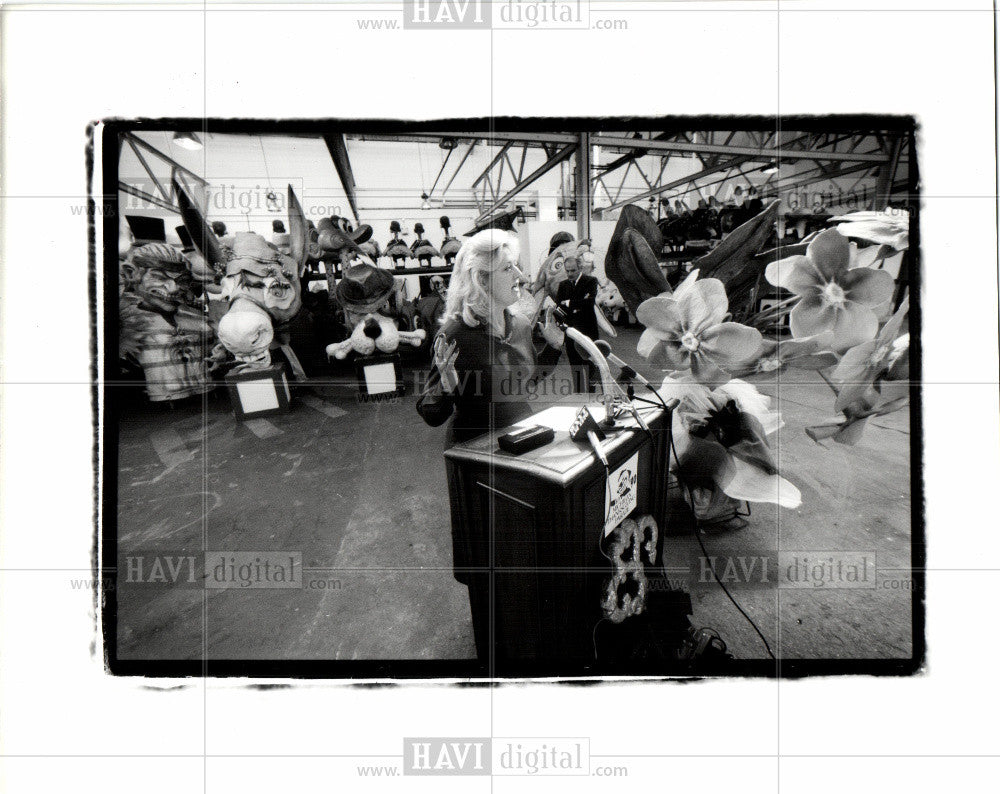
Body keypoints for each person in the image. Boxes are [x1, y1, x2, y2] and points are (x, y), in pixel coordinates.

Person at [416, 230, 565, 445]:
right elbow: (432, 416)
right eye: (507, 268)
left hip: (522, 438)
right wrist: (446, 386)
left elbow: (527, 381)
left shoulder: (521, 324)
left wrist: (553, 348)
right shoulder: (454, 335)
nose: (520, 276)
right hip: (478, 450)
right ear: (481, 280)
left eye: (516, 265)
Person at [554, 253, 600, 393]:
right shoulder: (563, 285)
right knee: (575, 365)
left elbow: (589, 303)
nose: (569, 274)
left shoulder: (590, 281)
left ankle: (591, 395)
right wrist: (563, 319)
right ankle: (579, 395)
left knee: (589, 363)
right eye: (567, 271)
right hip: (570, 332)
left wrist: (568, 303)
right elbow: (559, 308)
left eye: (572, 270)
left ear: (580, 268)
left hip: (587, 331)